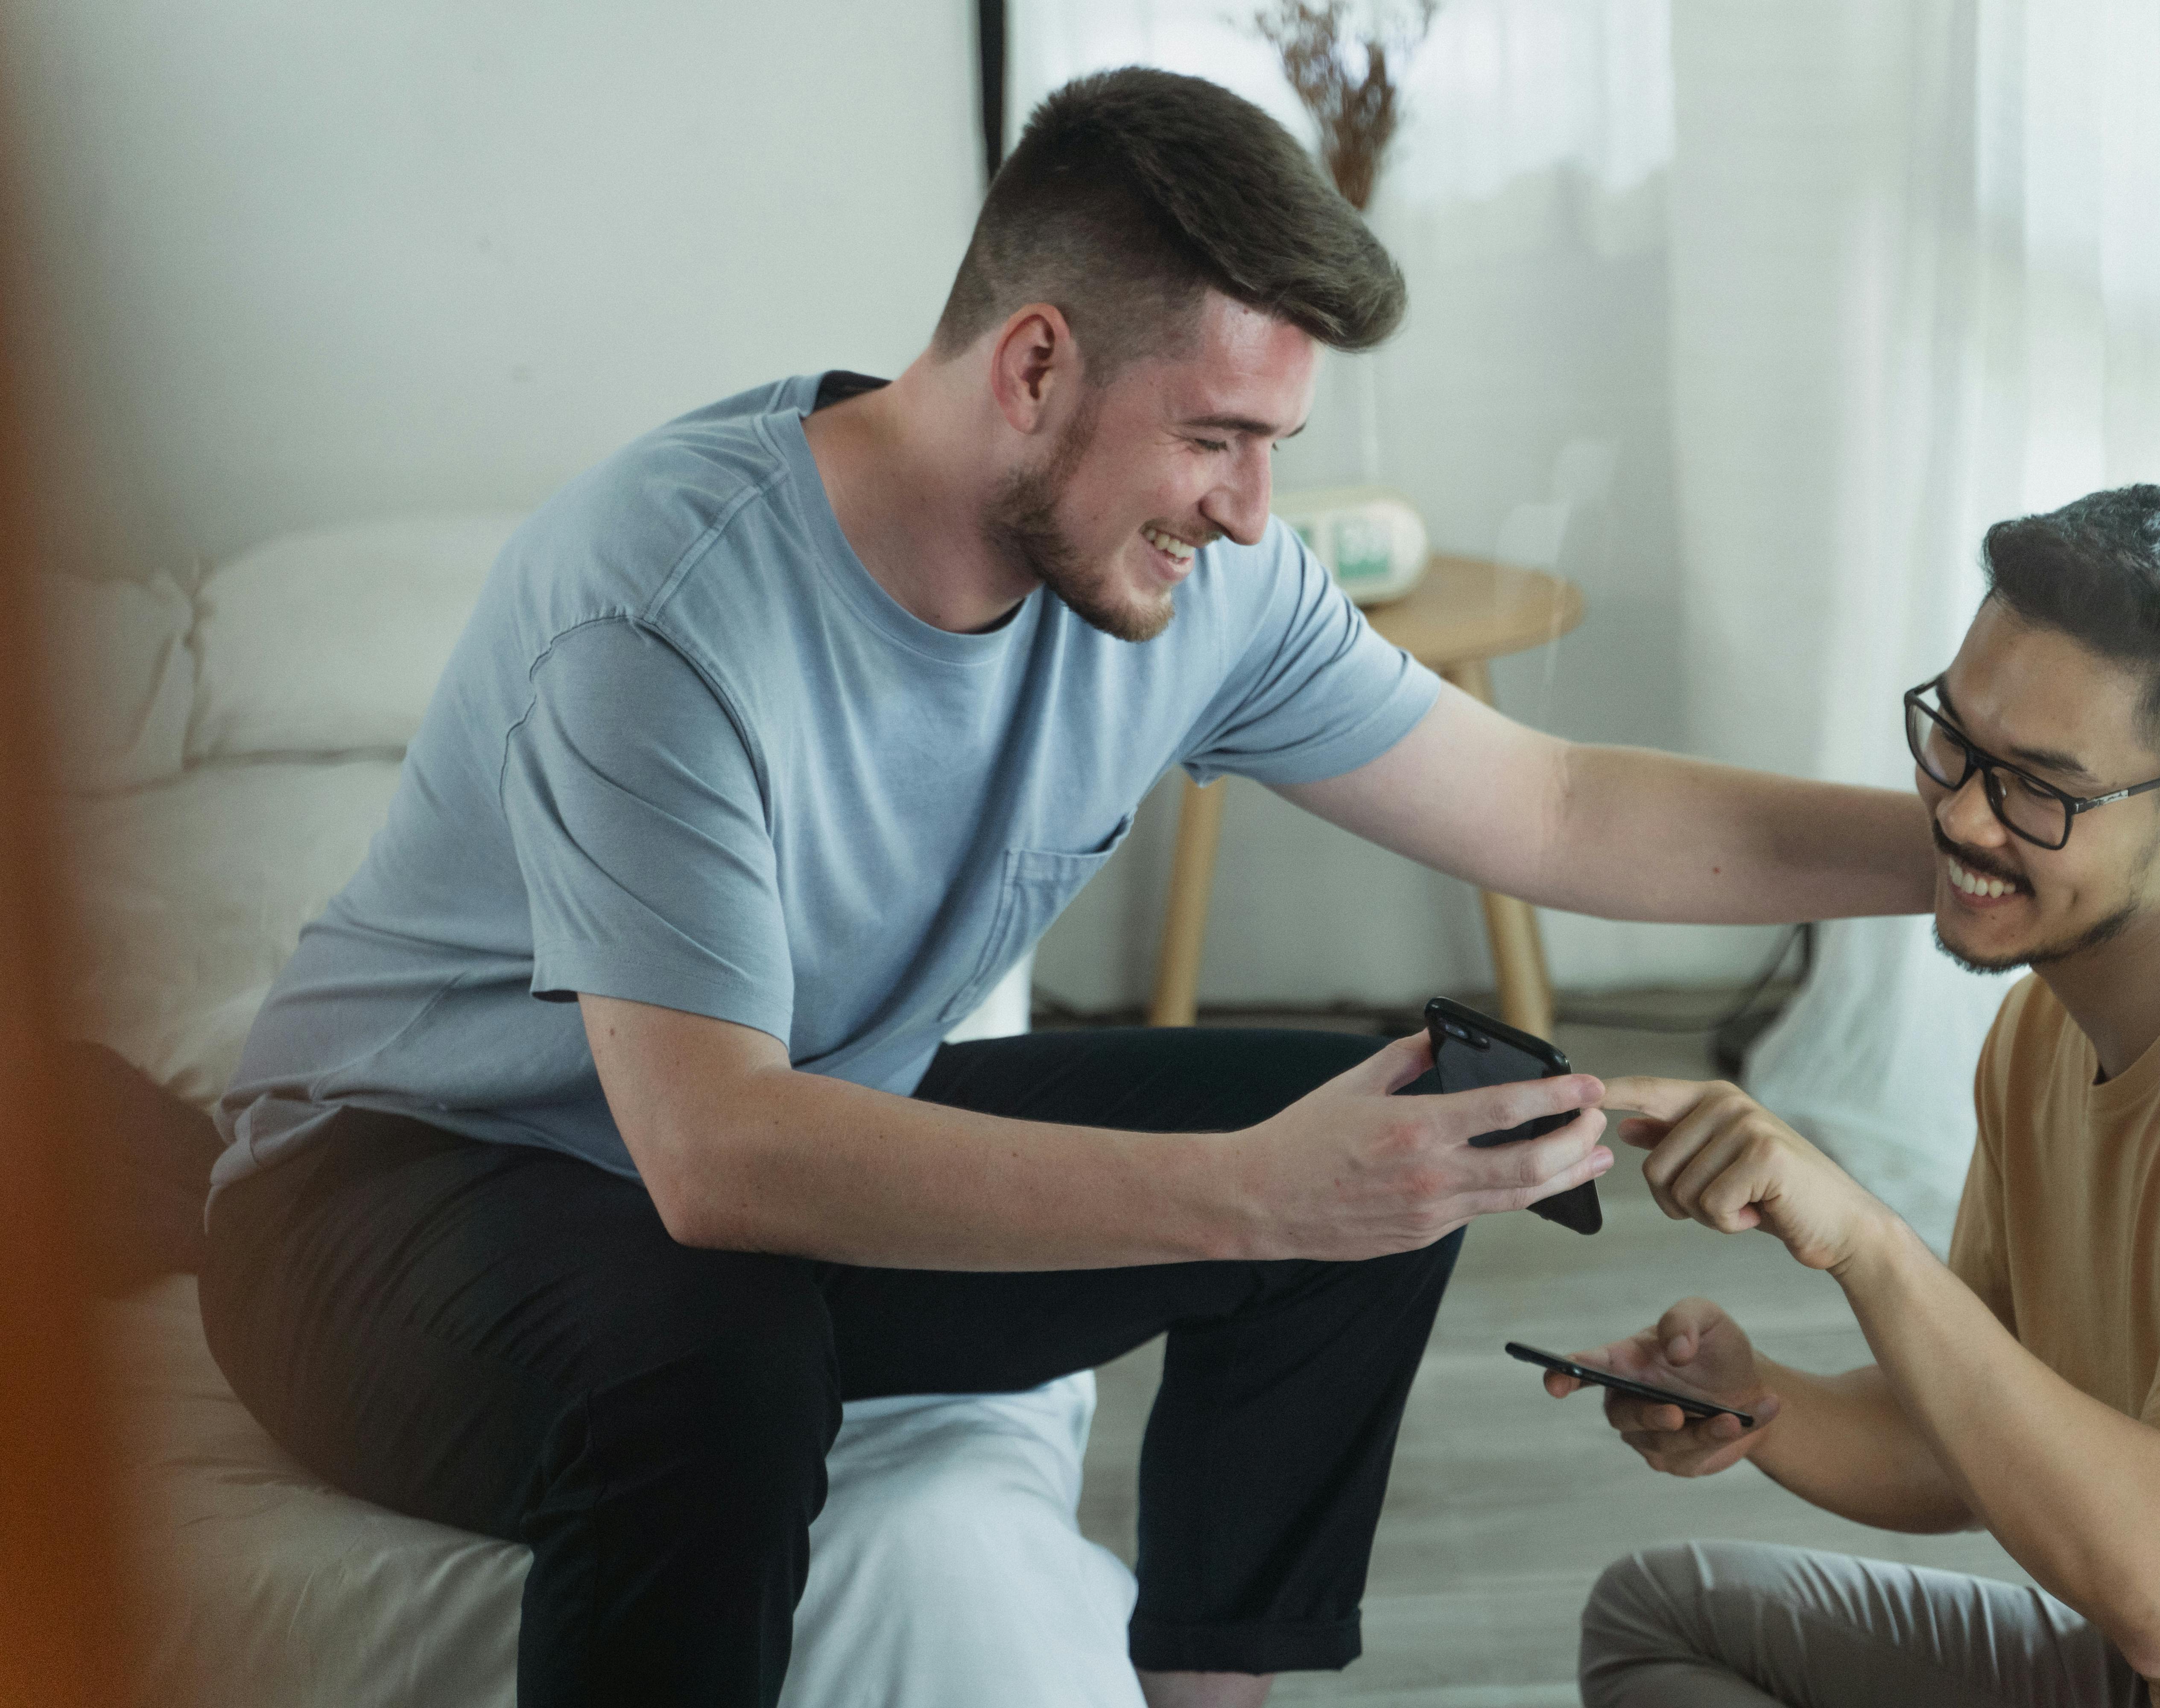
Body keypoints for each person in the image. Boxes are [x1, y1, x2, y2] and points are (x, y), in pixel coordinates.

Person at [199, 68, 1944, 1708]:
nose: (1257, 515)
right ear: (1034, 367)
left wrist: (1967, 852)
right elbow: (717, 1158)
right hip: (393, 1199)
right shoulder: (665, 604)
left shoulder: (1195, 594)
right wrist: (1254, 1200)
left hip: (764, 1143)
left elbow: (1557, 809)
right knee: (715, 1359)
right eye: (1218, 439)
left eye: (1277, 446)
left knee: (1398, 1127)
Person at [1553, 485, 2160, 1708]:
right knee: (1654, 1619)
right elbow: (1976, 1432)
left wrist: (1869, 1244)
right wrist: (1754, 1407)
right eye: (1957, 739)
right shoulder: (2051, 1020)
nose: (1960, 815)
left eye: (2041, 786)